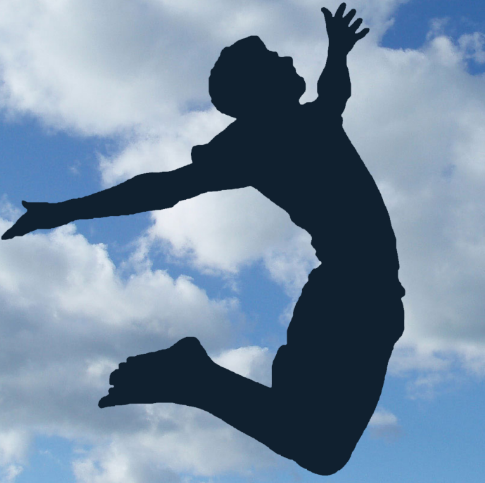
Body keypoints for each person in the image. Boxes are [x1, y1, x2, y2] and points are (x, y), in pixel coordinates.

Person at [2, 4, 405, 475]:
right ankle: (194, 377)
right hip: (351, 293)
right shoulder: (256, 142)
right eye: (273, 58)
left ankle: (195, 378)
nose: (287, 58)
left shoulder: (311, 121)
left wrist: (337, 53)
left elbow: (334, 92)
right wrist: (64, 211)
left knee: (316, 446)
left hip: (369, 295)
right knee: (318, 448)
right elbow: (161, 188)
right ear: (258, 89)